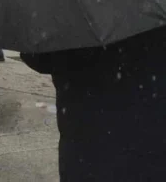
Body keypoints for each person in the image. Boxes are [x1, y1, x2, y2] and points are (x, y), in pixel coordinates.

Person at [21, 26, 166, 180]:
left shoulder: (71, 12)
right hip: (151, 134)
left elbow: (38, 56)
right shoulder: (155, 10)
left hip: (88, 141)